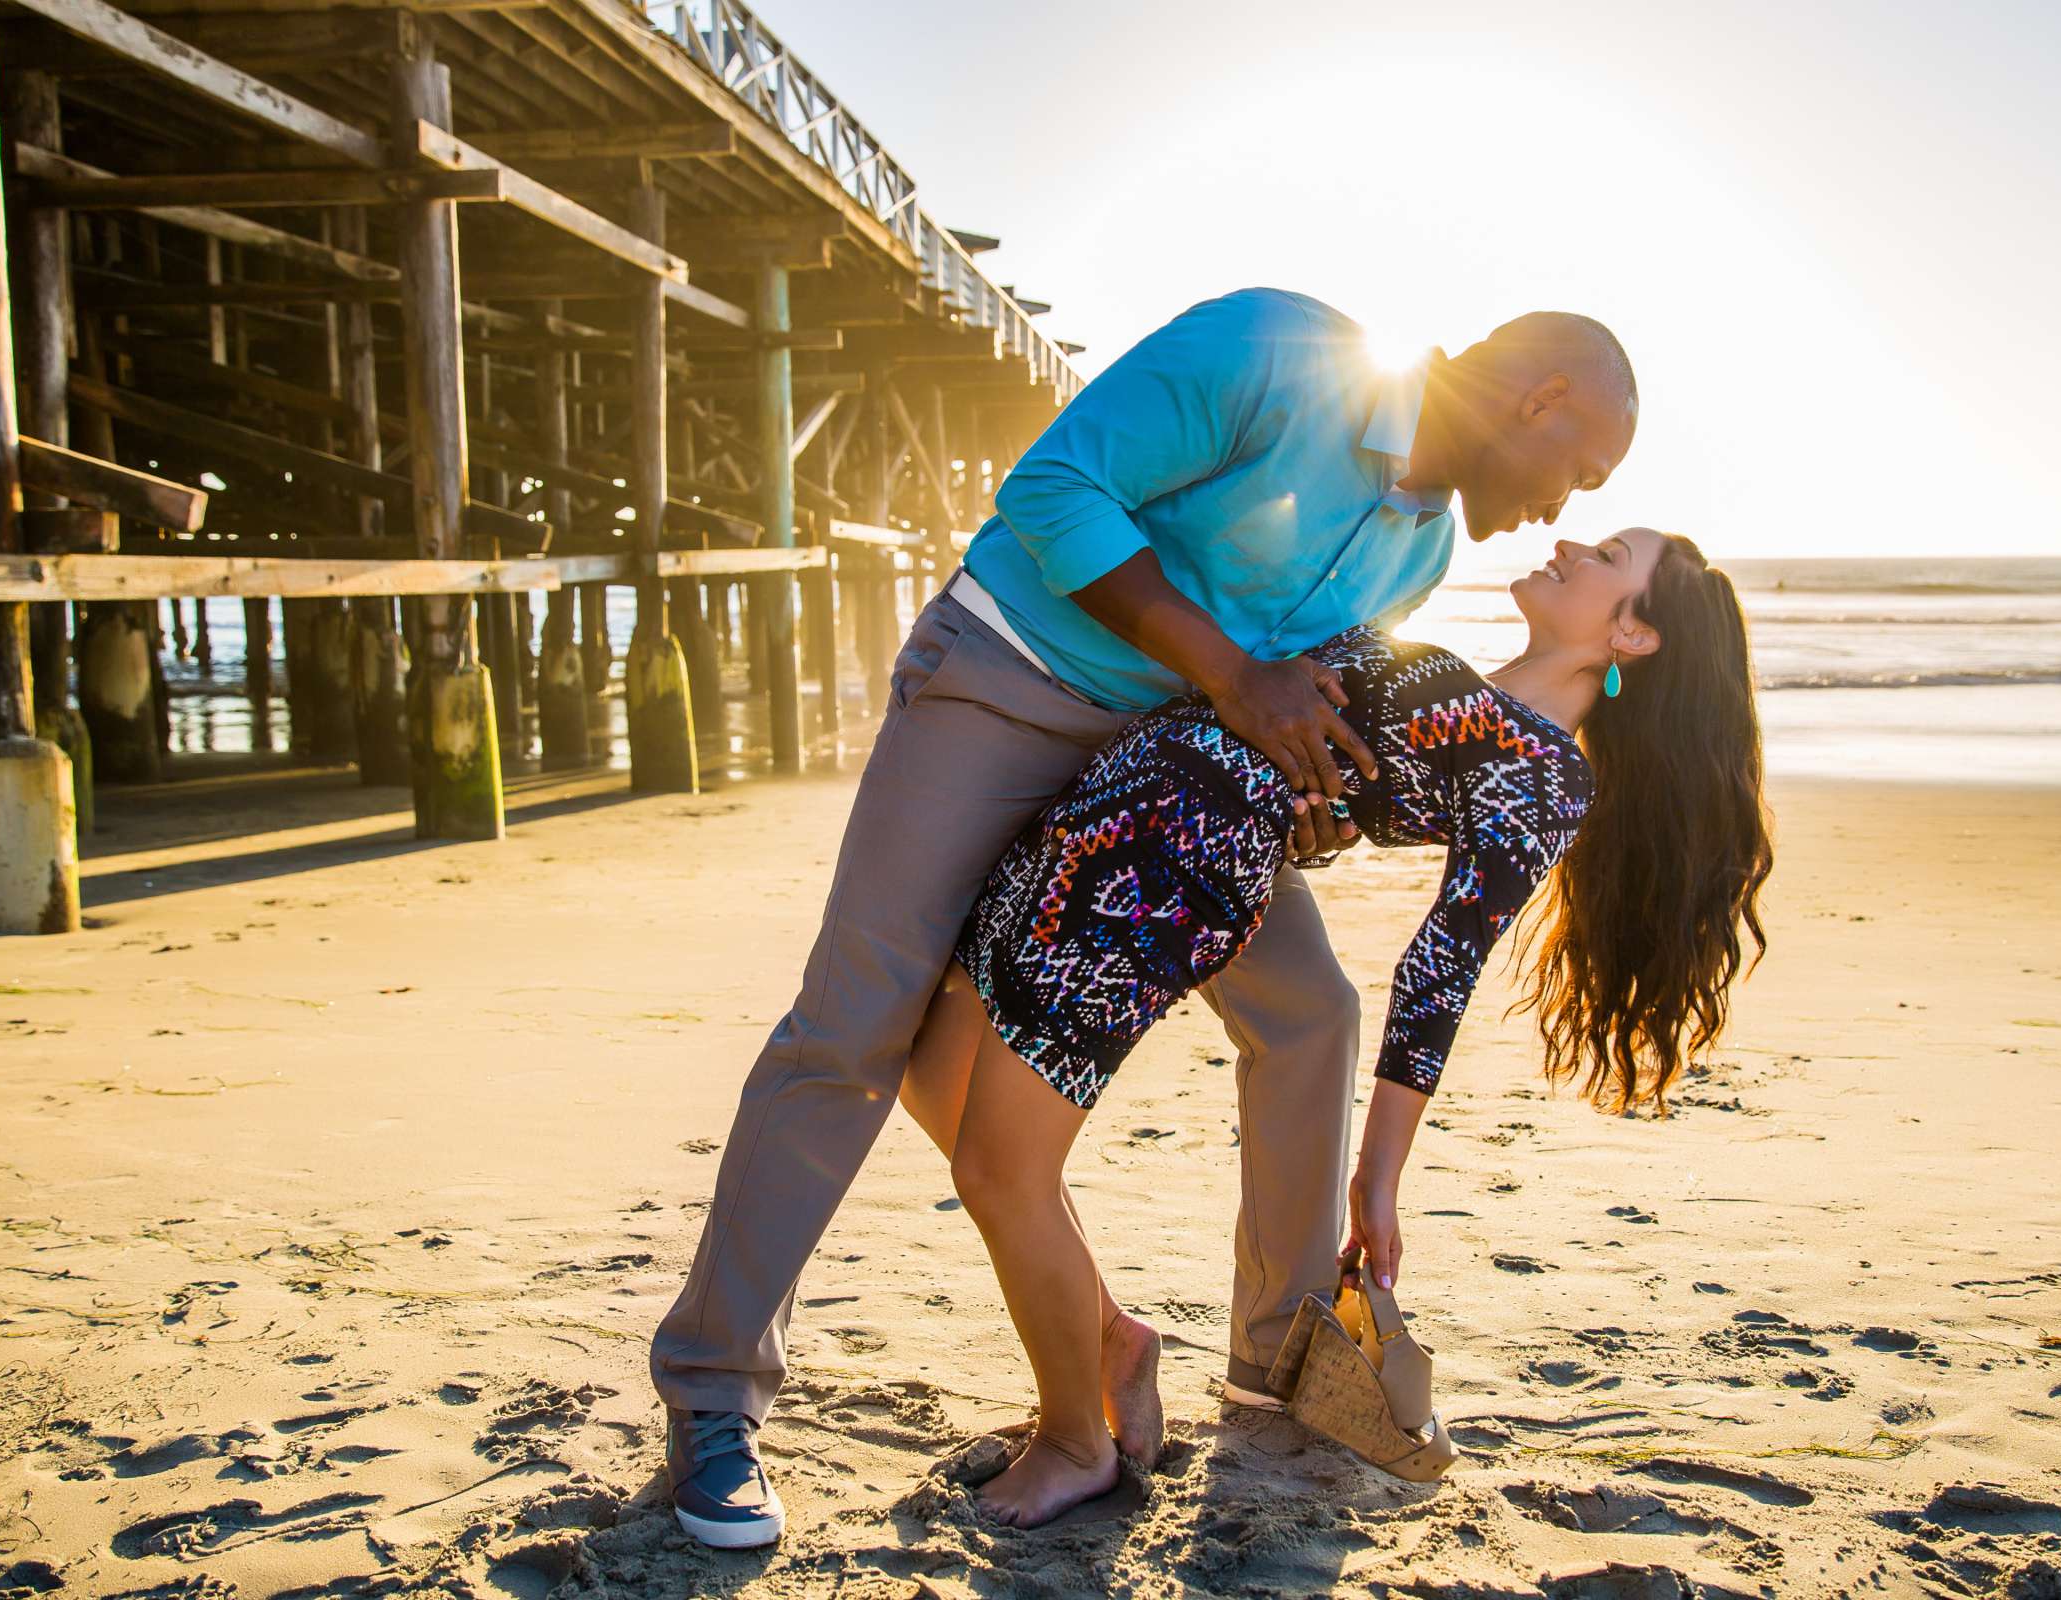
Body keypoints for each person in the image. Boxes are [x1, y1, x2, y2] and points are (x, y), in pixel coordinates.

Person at [652, 288, 1639, 1549]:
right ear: (1538, 400)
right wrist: (1237, 676)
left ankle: (1276, 1361)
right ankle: (714, 1394)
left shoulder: (1427, 549)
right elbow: (1052, 489)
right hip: (1007, 680)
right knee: (857, 1025)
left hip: (1169, 781)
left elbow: (1306, 692)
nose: (1570, 504)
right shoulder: (1275, 351)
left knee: (1315, 1009)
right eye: (1583, 467)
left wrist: (1313, 792)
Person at [900, 528, 1773, 1526]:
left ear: (1635, 635)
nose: (1573, 542)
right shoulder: (1486, 690)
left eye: (1611, 555)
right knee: (934, 1069)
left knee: (997, 1167)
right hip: (1108, 811)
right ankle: (1110, 1339)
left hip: (1162, 874)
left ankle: (1075, 1439)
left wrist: (1378, 1177)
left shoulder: (1541, 777)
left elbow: (1439, 969)